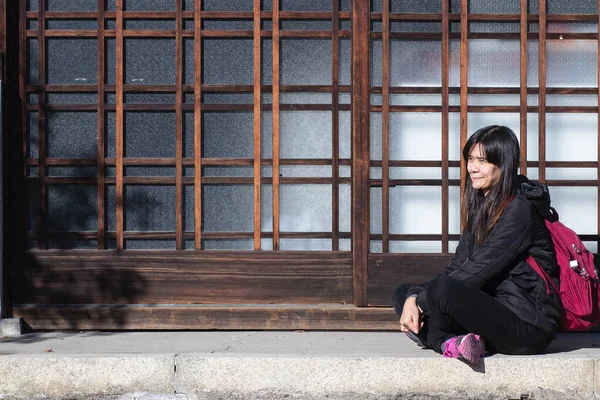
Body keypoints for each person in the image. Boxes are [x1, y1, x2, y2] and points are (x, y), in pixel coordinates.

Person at [392, 125, 563, 364]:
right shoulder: (483, 206)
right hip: (492, 311)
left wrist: (421, 303)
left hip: (526, 326)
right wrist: (413, 298)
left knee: (439, 291)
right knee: (403, 292)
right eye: (471, 159)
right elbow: (457, 267)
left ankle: (442, 341)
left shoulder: (519, 211)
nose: (473, 168)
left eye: (482, 161)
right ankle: (462, 343)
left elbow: (476, 271)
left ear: (503, 165)